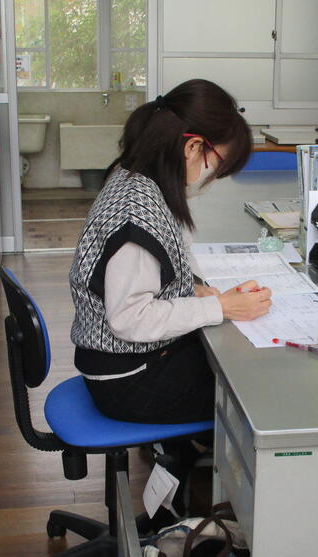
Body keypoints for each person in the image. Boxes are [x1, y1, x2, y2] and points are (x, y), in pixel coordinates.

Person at [68, 79, 272, 512]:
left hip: (129, 359)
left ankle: (182, 462)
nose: (211, 176)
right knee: (249, 394)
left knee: (231, 362)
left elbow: (147, 276)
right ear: (193, 147)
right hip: (126, 378)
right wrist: (218, 306)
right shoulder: (136, 213)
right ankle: (229, 511)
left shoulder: (138, 177)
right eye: (217, 163)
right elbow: (130, 318)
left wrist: (195, 291)